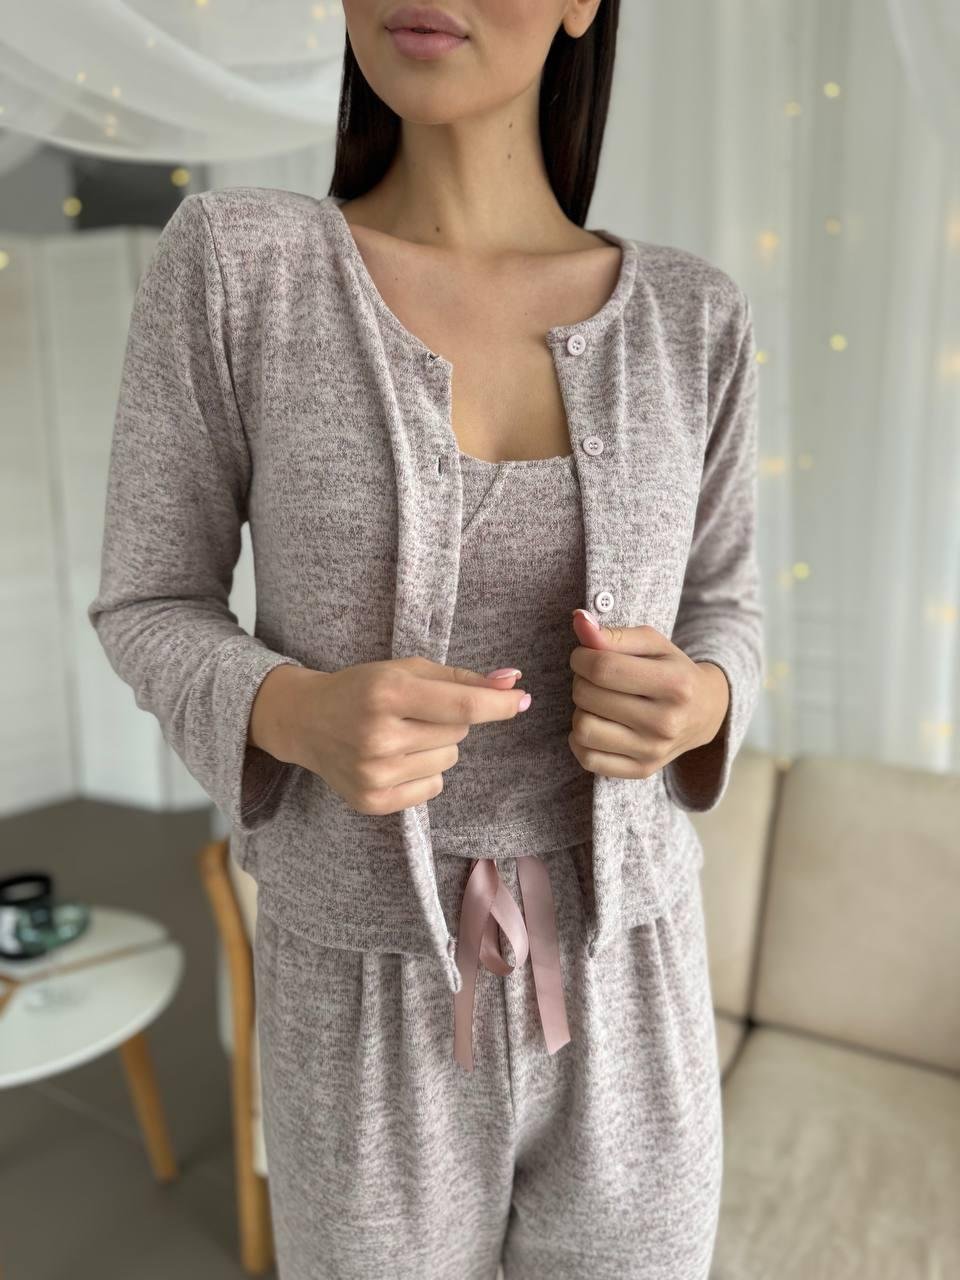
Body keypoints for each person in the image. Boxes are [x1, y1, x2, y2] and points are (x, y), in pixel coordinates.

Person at [88, 1, 765, 1275]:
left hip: (632, 979)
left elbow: (728, 601)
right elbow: (147, 600)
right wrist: (291, 710)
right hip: (358, 997)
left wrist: (707, 697)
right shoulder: (240, 266)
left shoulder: (695, 318)